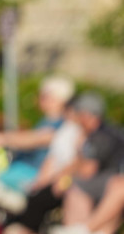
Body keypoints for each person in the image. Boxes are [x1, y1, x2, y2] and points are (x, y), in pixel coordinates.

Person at [0, 76, 73, 234]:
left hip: (34, 175)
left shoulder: (61, 123)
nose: (40, 99)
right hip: (24, 170)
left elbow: (39, 138)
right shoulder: (47, 121)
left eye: (45, 95)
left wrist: (4, 138)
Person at [55, 92, 124, 230]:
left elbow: (88, 170)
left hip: (111, 184)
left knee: (77, 186)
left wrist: (65, 176)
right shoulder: (98, 133)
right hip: (108, 185)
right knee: (76, 185)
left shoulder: (102, 136)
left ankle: (80, 229)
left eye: (78, 114)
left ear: (87, 115)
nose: (76, 118)